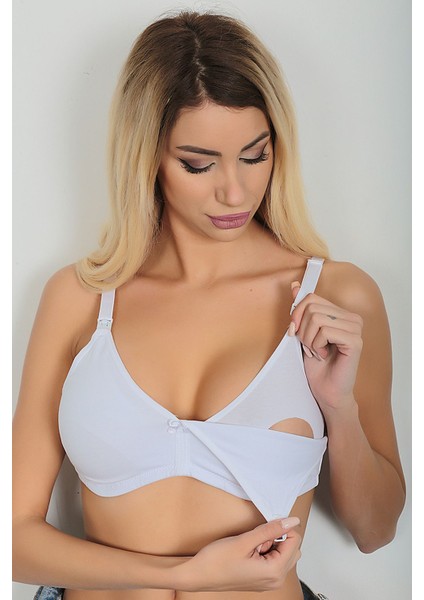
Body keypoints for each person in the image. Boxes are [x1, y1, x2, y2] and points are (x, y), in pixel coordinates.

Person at [12, 10, 406, 600]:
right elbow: (12, 537)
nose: (235, 191)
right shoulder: (81, 297)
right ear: (147, 156)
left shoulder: (336, 296)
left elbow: (376, 532)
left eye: (255, 155)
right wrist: (181, 576)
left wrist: (340, 409)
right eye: (198, 164)